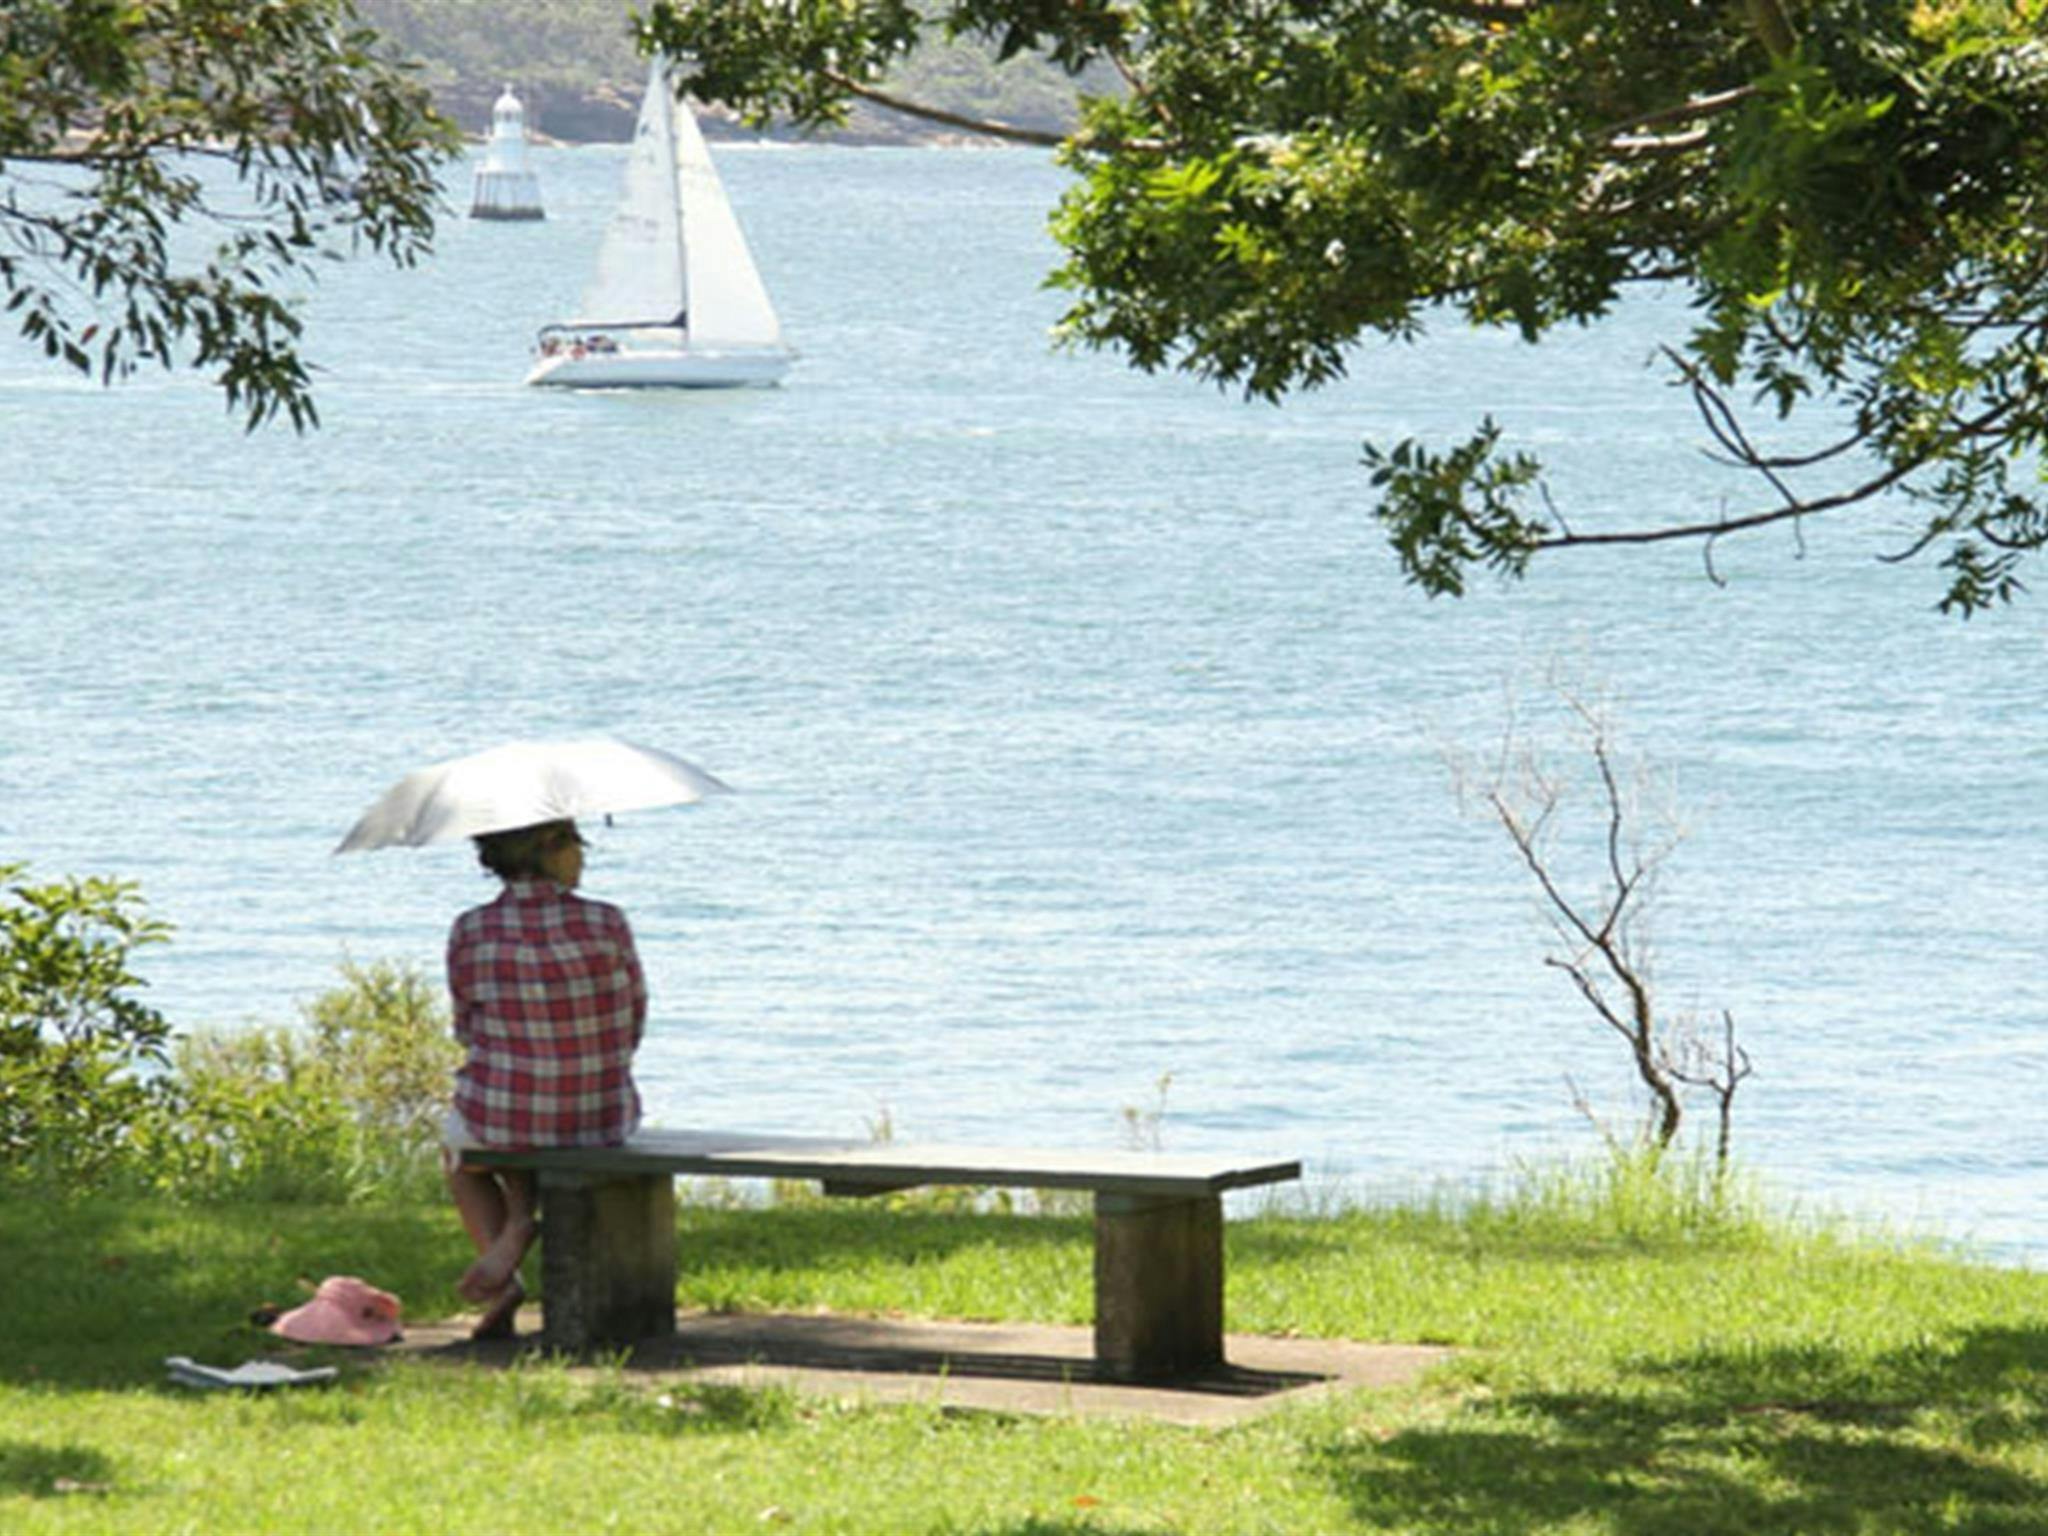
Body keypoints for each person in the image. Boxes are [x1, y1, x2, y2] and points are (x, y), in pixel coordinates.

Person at [442, 817, 647, 1338]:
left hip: (504, 1114)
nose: (584, 856)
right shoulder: (607, 923)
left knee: (460, 1153)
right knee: (531, 1107)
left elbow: (466, 1027)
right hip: (600, 1116)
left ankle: (508, 1240)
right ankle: (517, 1224)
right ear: (548, 850)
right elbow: (634, 1016)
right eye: (578, 843)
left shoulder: (470, 929)